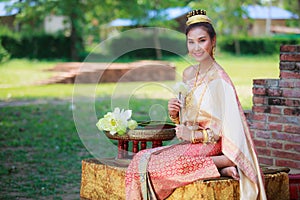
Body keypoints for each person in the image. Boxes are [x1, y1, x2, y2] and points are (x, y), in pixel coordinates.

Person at [125, 9, 266, 200]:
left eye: (202, 40)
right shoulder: (188, 74)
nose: (196, 48)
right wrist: (175, 112)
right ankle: (219, 168)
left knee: (160, 166)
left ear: (213, 41)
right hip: (191, 144)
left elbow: (221, 130)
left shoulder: (220, 80)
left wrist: (192, 134)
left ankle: (221, 163)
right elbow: (187, 118)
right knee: (140, 159)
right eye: (191, 42)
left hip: (213, 145)